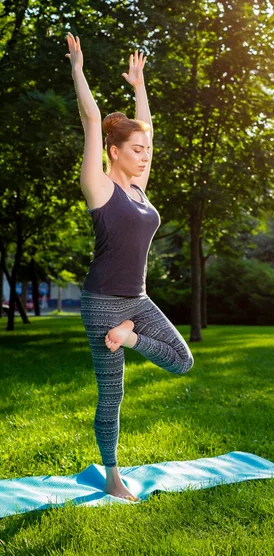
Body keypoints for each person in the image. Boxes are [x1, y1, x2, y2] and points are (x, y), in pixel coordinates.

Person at [66, 32, 194, 502]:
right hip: (102, 301)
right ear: (115, 152)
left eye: (146, 151)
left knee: (182, 360)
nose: (144, 156)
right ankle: (113, 476)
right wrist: (78, 71)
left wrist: (140, 86)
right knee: (112, 396)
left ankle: (129, 336)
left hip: (135, 303)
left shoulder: (140, 191)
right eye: (136, 150)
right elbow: (93, 120)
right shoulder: (99, 187)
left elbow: (149, 132)